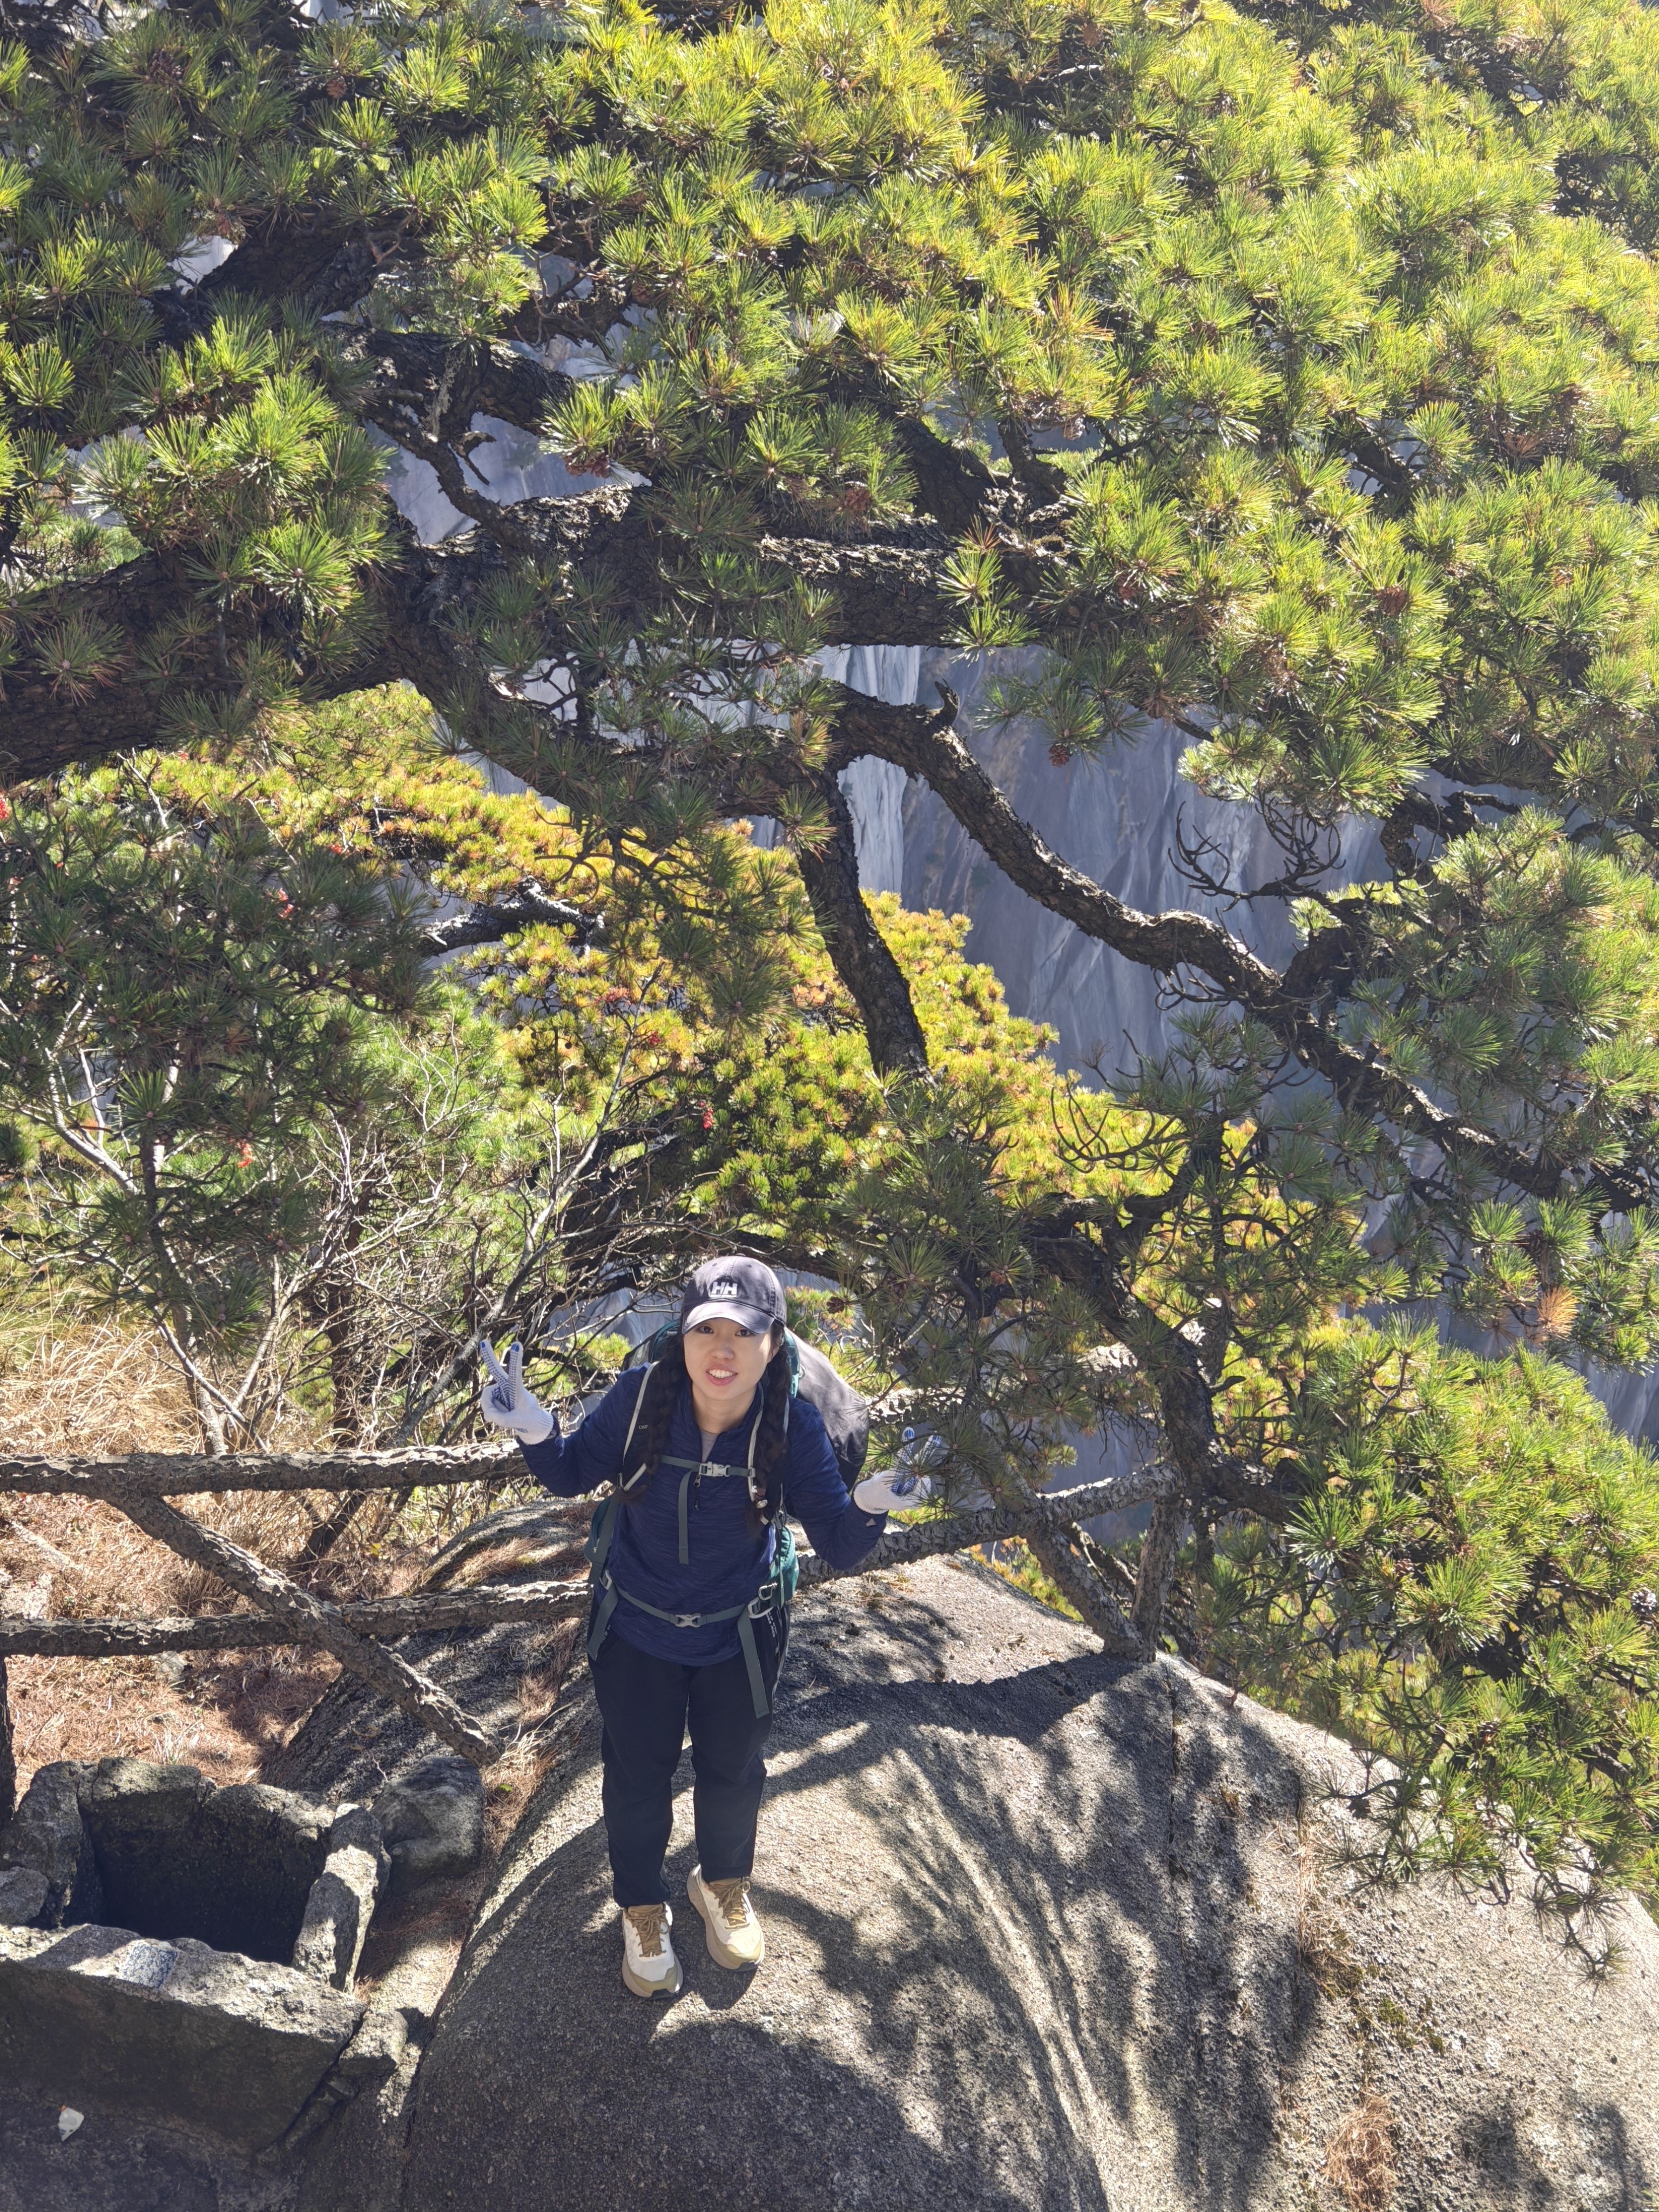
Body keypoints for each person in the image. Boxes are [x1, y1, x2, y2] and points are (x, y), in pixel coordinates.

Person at [477, 1256, 930, 1998]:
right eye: (705, 1330)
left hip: (739, 1635)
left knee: (734, 1770)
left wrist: (870, 1506)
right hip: (638, 1630)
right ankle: (642, 1906)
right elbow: (572, 1471)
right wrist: (535, 1428)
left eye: (743, 1333)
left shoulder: (792, 1424)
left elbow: (839, 1545)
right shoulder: (640, 1398)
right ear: (681, 1337)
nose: (723, 1350)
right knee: (637, 1776)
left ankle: (721, 1883)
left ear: (774, 1344)